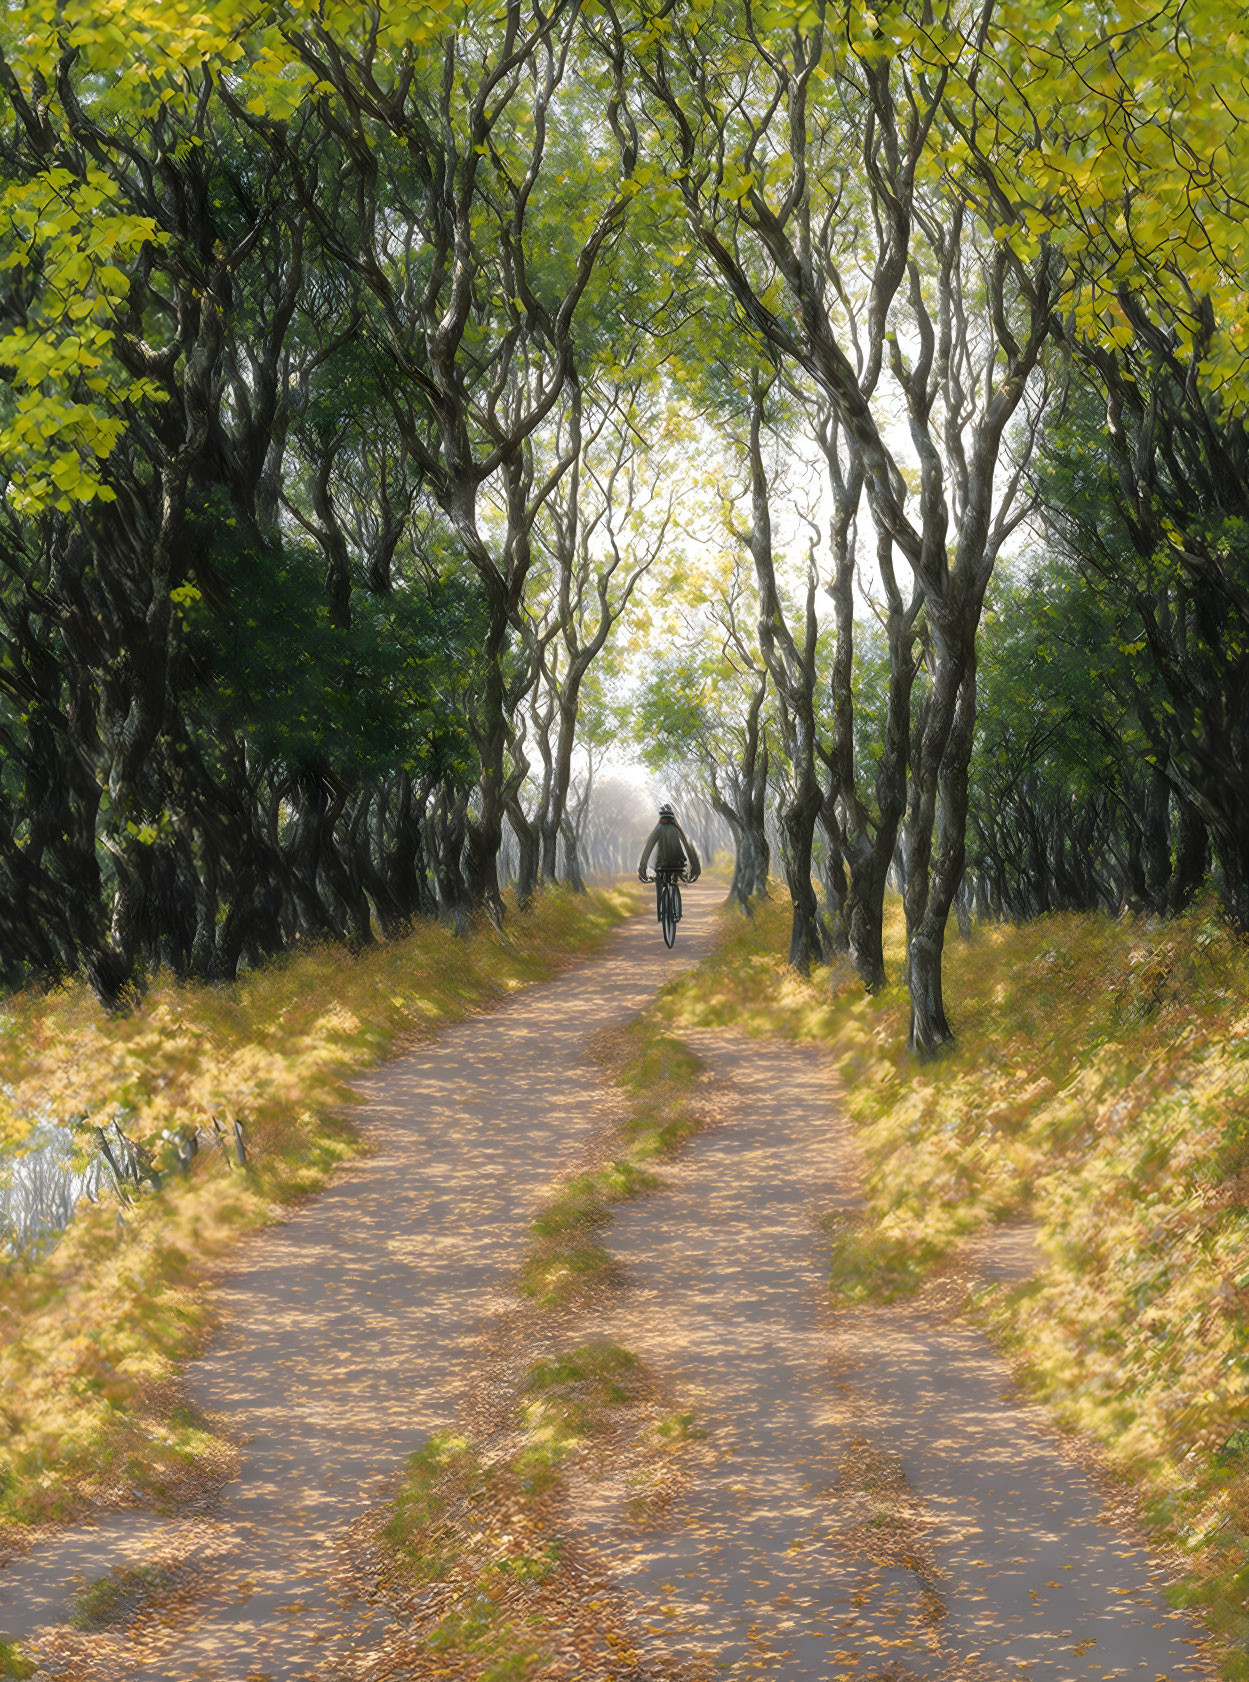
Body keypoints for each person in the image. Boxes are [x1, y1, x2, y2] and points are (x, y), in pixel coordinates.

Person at [638, 803, 701, 922]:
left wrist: (643, 867)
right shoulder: (677, 828)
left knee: (659, 882)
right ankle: (676, 905)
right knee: (674, 880)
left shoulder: (659, 828)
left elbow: (649, 847)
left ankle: (661, 911)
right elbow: (688, 847)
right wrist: (695, 867)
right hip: (678, 865)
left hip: (661, 866)